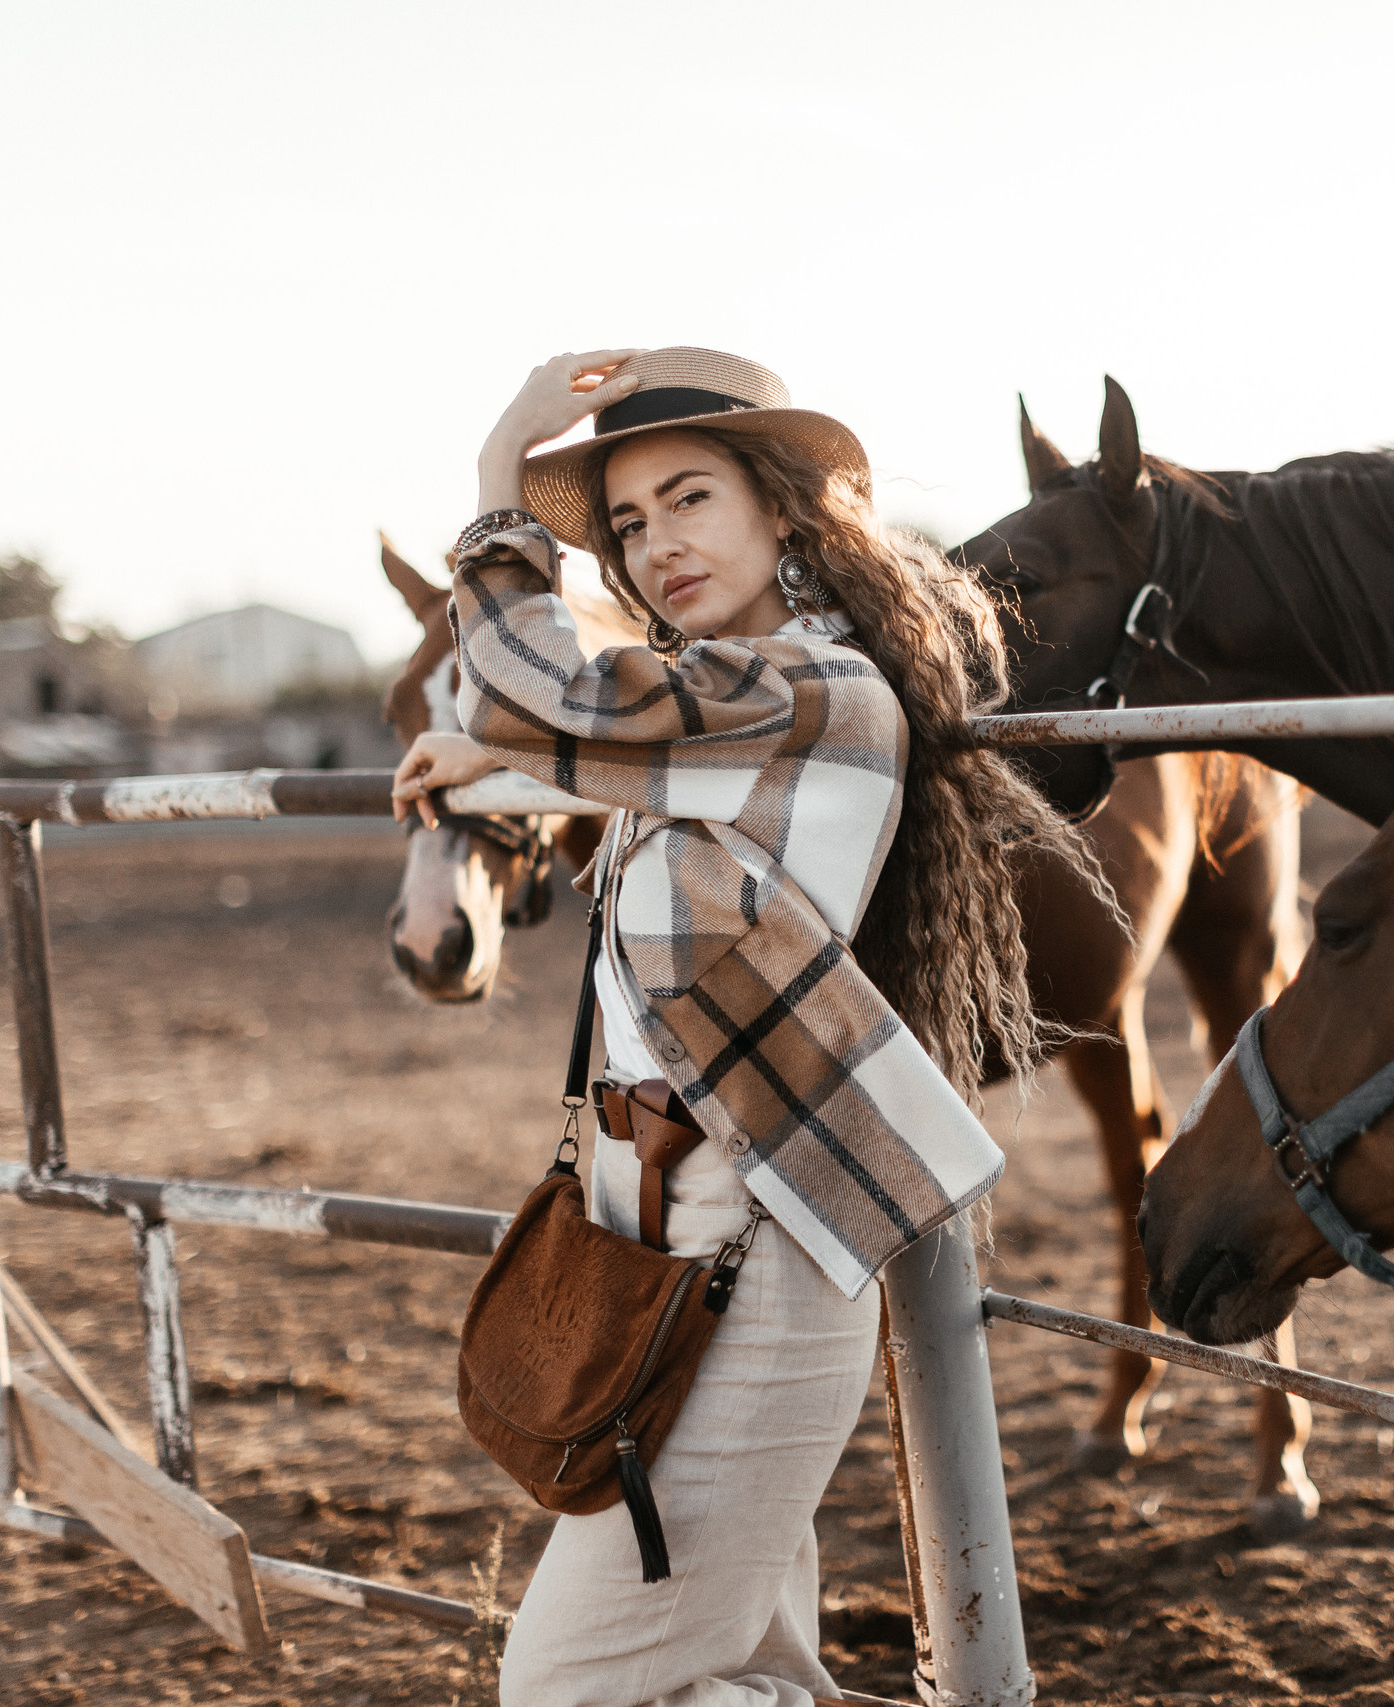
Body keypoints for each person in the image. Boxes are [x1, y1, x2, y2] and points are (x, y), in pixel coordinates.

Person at [392, 347, 1098, 1707]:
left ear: (786, 507)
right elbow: (609, 758)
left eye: (690, 498)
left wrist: (500, 488)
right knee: (739, 1672)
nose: (658, 545)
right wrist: (492, 759)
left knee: (564, 1687)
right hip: (660, 1231)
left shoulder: (812, 691)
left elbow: (538, 697)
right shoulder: (741, 702)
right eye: (631, 526)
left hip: (749, 1250)